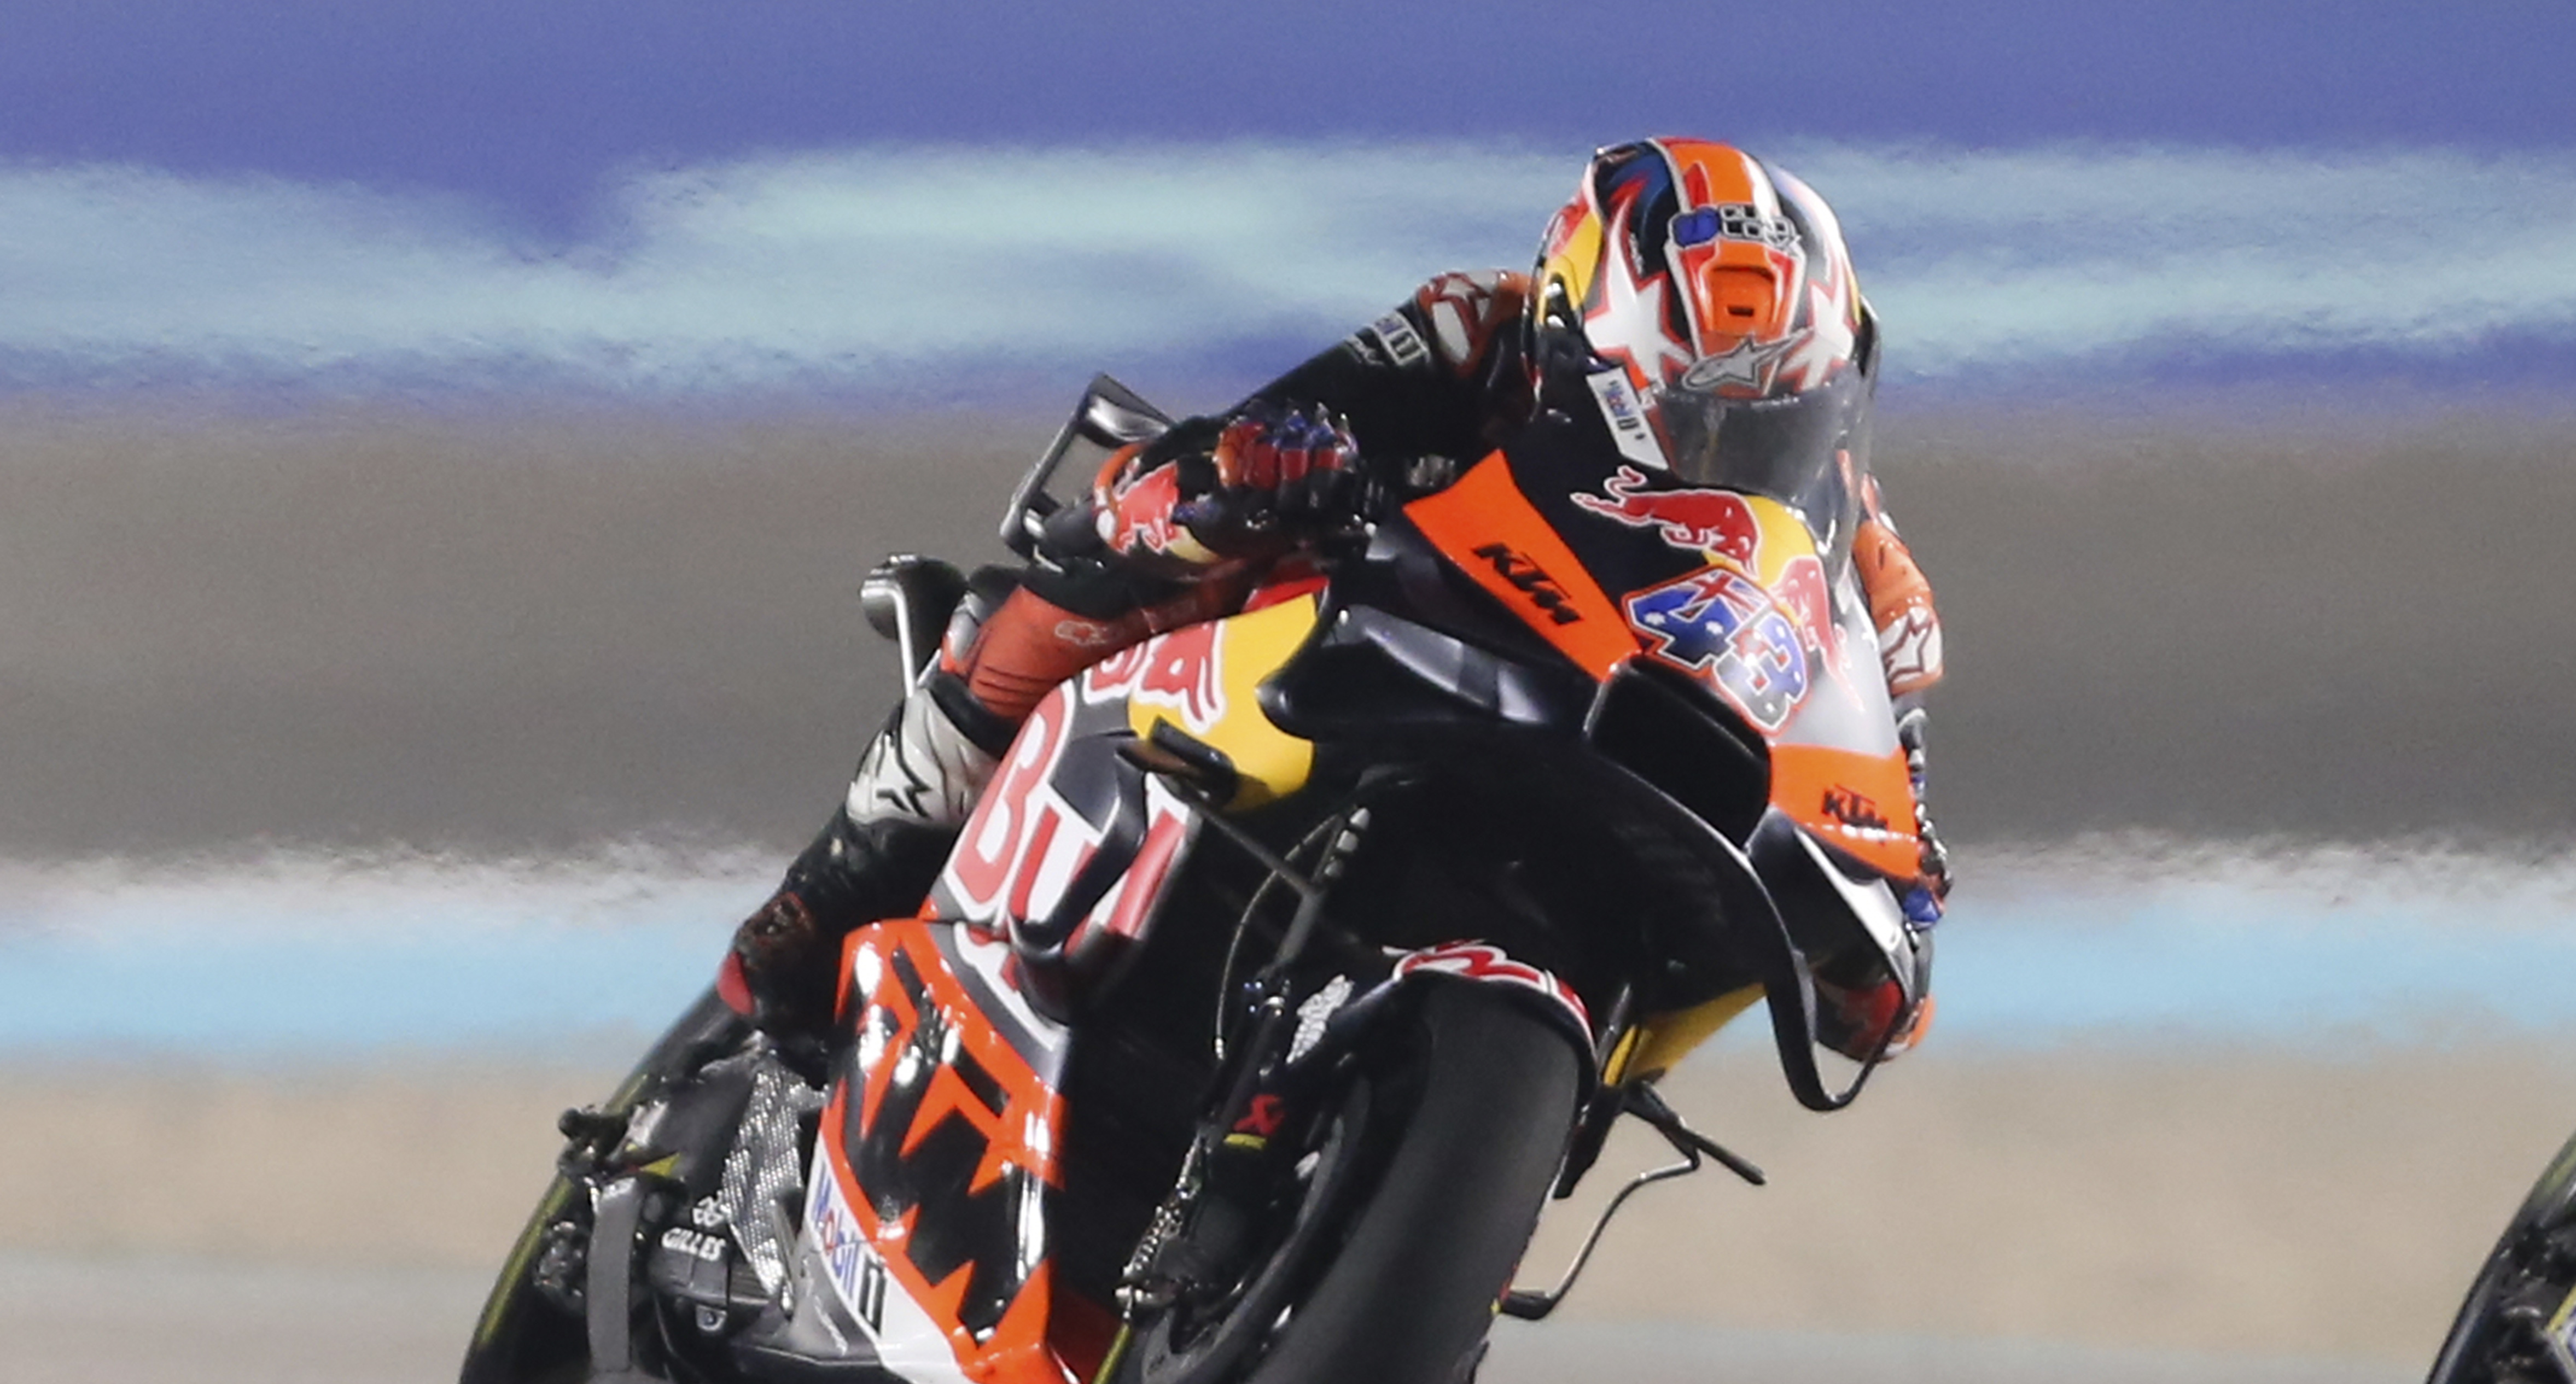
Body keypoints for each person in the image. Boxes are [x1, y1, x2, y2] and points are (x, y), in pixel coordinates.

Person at [716, 137, 1950, 1064]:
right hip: (1358, 648)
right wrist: (1252, 479)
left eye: (1761, 430)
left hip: (1610, 767)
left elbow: (1897, 873)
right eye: (1682, 419)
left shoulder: (1871, 584)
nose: (1712, 460)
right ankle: (834, 888)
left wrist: (1888, 929)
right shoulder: (1471, 337)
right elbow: (1177, 472)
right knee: (1078, 580)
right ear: (1576, 348)